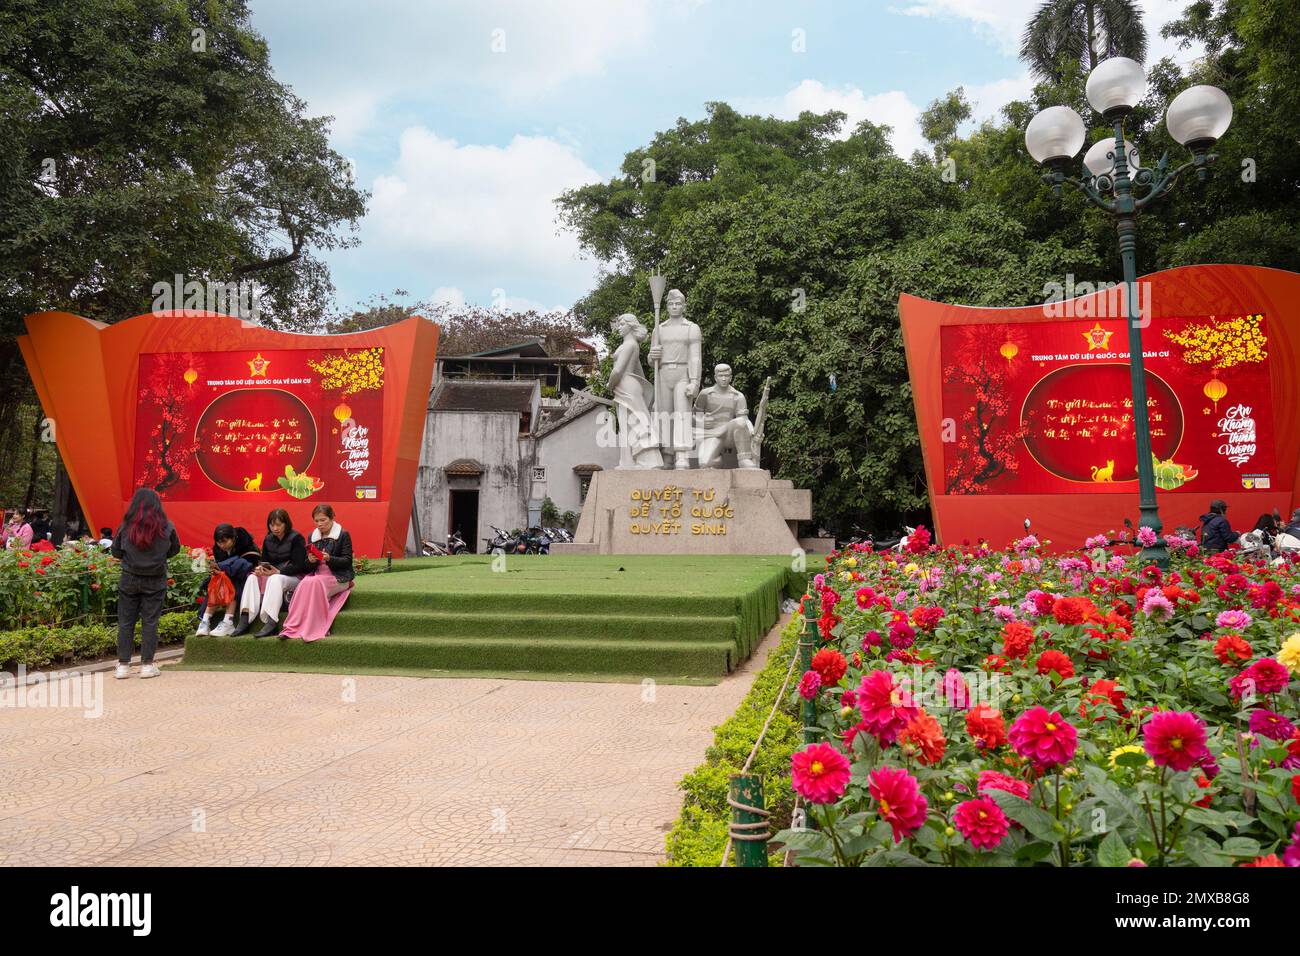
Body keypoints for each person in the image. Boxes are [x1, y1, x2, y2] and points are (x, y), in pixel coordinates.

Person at [111, 488, 181, 679]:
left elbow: (115, 551)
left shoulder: (126, 526)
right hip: (156, 579)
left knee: (126, 622)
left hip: (129, 578)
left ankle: (123, 666)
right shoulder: (167, 526)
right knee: (150, 622)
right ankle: (147, 666)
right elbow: (174, 549)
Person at [280, 504, 355, 642]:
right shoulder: (312, 536)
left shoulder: (343, 535)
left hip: (338, 577)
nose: (319, 524)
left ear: (332, 518)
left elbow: (347, 561)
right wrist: (310, 560)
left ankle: (314, 627)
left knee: (314, 582)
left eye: (323, 520)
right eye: (316, 521)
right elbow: (308, 567)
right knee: (304, 583)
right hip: (317, 576)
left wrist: (329, 558)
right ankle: (292, 627)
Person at [647, 288, 702, 469]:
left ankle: (682, 455)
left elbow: (695, 357)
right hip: (663, 373)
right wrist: (652, 355)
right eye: (671, 304)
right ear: (667, 306)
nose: (674, 307)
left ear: (684, 306)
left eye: (678, 303)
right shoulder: (659, 329)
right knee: (664, 415)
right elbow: (650, 359)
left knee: (682, 414)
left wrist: (695, 381)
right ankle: (667, 454)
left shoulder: (692, 328)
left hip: (682, 372)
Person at [607, 313, 664, 469]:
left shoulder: (629, 345)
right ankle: (627, 461)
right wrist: (644, 389)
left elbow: (617, 371)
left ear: (631, 326)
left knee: (633, 423)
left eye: (622, 324)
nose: (619, 328)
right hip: (629, 385)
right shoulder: (632, 345)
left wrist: (609, 385)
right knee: (630, 424)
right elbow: (639, 372)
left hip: (624, 385)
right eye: (618, 325)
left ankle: (646, 461)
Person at [196, 523, 261, 637]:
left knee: (229, 581)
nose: (222, 545)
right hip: (227, 579)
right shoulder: (217, 549)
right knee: (218, 580)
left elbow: (247, 566)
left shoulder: (247, 545)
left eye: (225, 542)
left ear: (233, 537)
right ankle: (205, 621)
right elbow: (223, 568)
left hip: (249, 579)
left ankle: (228, 621)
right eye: (219, 542)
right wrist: (218, 570)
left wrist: (223, 568)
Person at [253, 509, 309, 637]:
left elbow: (299, 565)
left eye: (279, 524)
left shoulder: (296, 538)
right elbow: (265, 561)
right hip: (275, 575)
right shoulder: (268, 539)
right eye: (272, 525)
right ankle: (244, 618)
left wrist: (278, 571)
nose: (275, 528)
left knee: (275, 579)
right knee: (252, 577)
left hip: (295, 577)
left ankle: (272, 622)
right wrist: (261, 569)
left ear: (286, 524)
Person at [693, 364, 759, 469]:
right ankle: (718, 460)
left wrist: (753, 432)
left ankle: (744, 459)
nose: (724, 379)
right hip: (712, 433)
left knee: (740, 422)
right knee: (705, 463)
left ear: (731, 377)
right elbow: (694, 416)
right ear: (715, 377)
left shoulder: (738, 396)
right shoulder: (705, 394)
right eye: (720, 376)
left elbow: (744, 420)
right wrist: (702, 421)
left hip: (729, 433)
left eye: (726, 376)